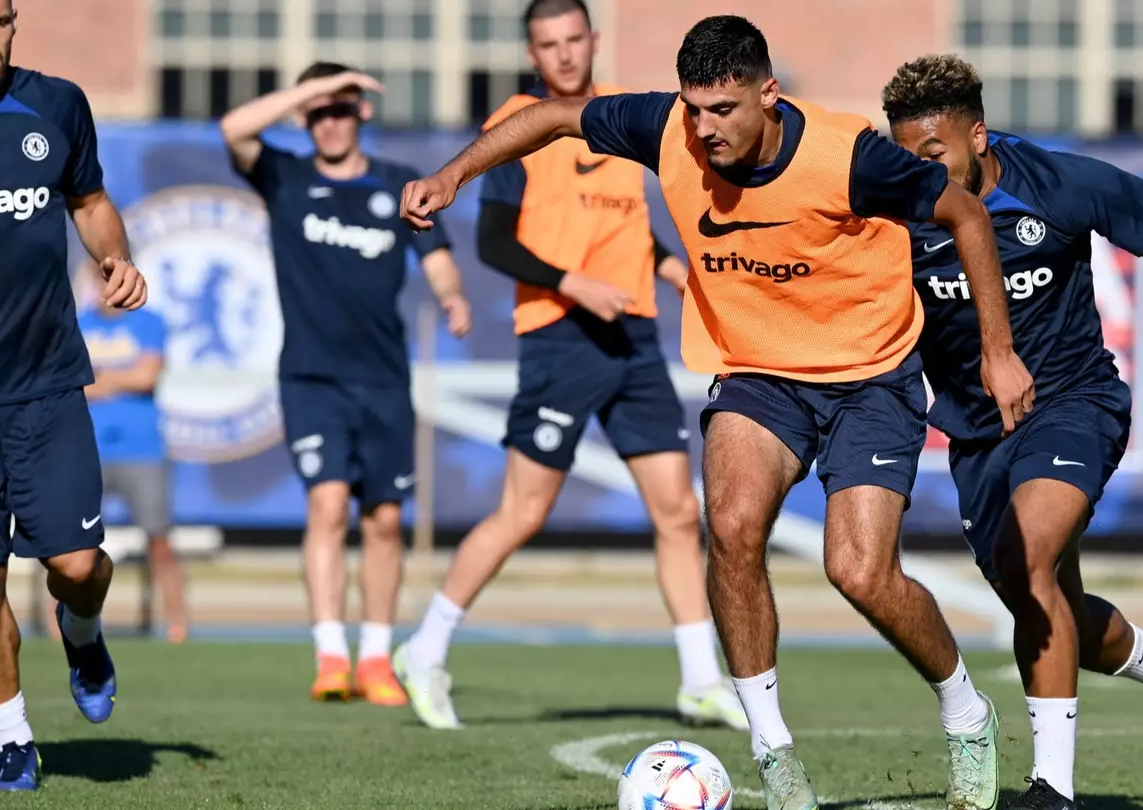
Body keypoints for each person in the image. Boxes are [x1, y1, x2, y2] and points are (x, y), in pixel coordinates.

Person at [400, 16, 1035, 810]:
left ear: (768, 95)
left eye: (724, 110)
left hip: (870, 375)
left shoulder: (848, 155)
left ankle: (965, 710)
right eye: (694, 108)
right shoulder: (668, 129)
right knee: (729, 526)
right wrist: (454, 175)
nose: (705, 129)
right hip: (760, 372)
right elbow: (553, 117)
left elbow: (969, 217)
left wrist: (997, 350)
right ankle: (773, 755)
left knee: (859, 571)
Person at [881, 54, 1143, 809]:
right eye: (903, 157)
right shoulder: (890, 214)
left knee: (1030, 564)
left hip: (1074, 406)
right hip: (977, 437)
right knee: (1044, 605)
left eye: (933, 155)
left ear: (977, 136)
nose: (918, 172)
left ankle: (1051, 789)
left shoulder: (1057, 184)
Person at [393, 0, 745, 732]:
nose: (561, 54)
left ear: (594, 41)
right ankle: (424, 651)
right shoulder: (522, 123)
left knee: (681, 514)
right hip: (561, 338)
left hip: (635, 340)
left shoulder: (615, 122)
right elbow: (492, 241)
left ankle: (699, 678)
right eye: (546, 44)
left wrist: (676, 271)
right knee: (523, 512)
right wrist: (571, 282)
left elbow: (624, 232)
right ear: (532, 51)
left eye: (572, 39)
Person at [220, 62, 472, 706]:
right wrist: (311, 90)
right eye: (319, 112)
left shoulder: (393, 185)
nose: (330, 121)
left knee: (384, 520)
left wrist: (452, 298)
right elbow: (234, 127)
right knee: (328, 506)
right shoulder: (286, 176)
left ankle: (376, 659)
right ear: (306, 117)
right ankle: (330, 653)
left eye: (342, 108)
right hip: (311, 377)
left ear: (363, 112)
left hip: (383, 380)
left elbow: (437, 256)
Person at [0, 0, 148, 791]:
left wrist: (116, 262)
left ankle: (81, 628)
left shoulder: (57, 104)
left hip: (45, 385)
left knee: (76, 564)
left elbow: (88, 201)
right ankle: (13, 740)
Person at [78, 288, 188, 644]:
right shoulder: (77, 323)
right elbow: (69, 382)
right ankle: (61, 626)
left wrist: (101, 378)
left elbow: (147, 376)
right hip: (86, 448)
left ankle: (177, 624)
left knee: (159, 540)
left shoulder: (149, 321)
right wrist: (122, 375)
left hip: (143, 451)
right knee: (70, 546)